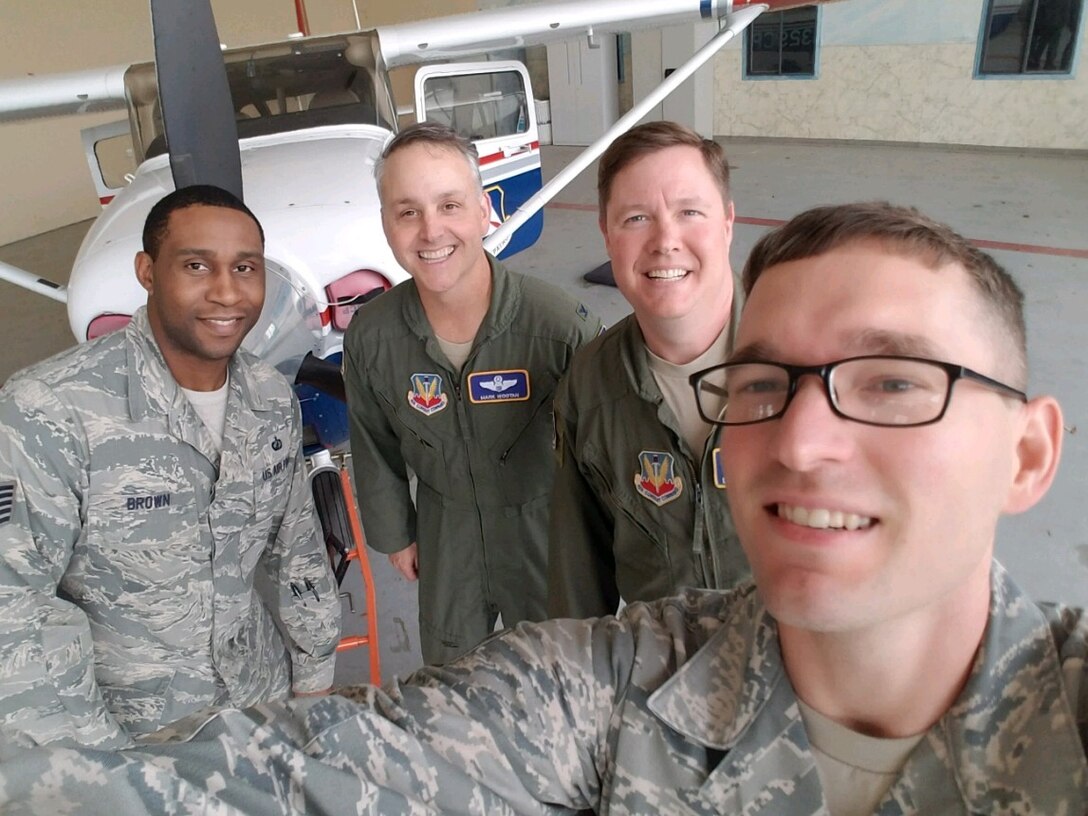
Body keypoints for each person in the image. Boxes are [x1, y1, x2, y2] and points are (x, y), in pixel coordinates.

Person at [3, 202, 1085, 814]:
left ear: (1028, 452)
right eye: (760, 387)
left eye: (892, 381)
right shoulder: (595, 694)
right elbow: (284, 780)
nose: (797, 441)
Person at [0, 185, 341, 750]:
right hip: (133, 737)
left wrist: (313, 678)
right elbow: (13, 606)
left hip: (259, 704)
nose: (227, 292)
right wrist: (111, 767)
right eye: (196, 265)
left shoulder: (268, 396)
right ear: (147, 271)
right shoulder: (50, 410)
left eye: (245, 267)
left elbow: (297, 545)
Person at [342, 123, 601, 664]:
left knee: (566, 664)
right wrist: (395, 532)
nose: (431, 231)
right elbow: (373, 442)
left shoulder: (556, 325)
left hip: (544, 530)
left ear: (486, 211)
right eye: (407, 211)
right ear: (386, 224)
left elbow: (604, 445)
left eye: (450, 205)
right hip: (446, 527)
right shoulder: (374, 336)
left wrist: (598, 542)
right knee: (451, 671)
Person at [548, 121, 748, 619]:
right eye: (636, 218)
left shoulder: (806, 352)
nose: (665, 240)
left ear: (727, 223)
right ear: (607, 235)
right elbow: (578, 577)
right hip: (663, 684)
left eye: (689, 212)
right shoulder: (590, 384)